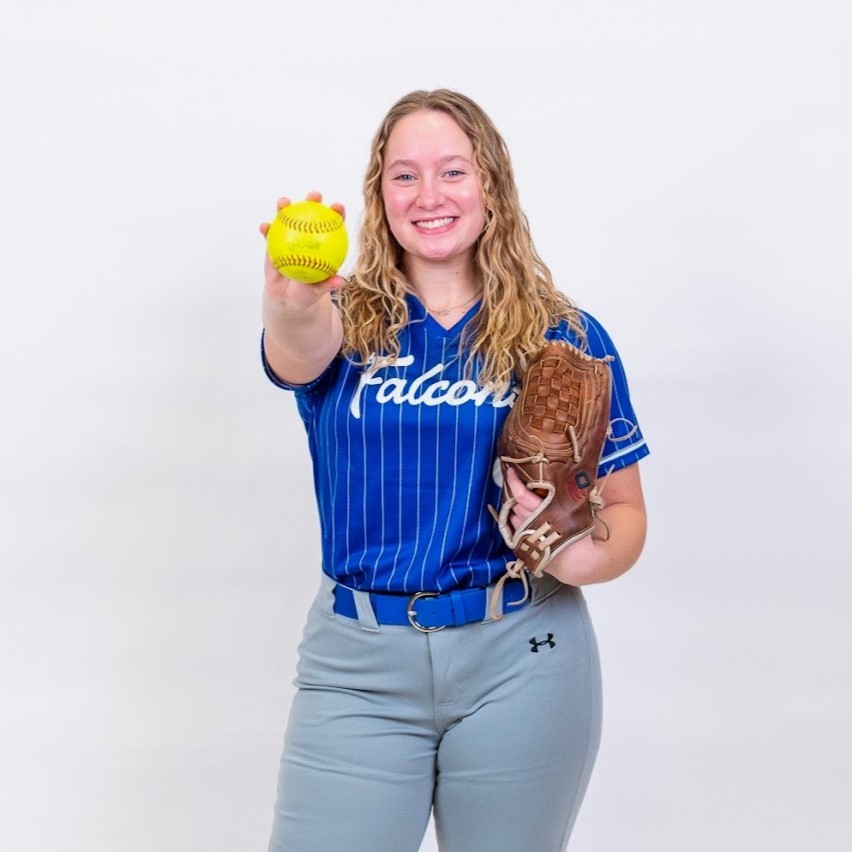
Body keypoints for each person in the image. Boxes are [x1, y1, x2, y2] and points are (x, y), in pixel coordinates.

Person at [259, 89, 649, 852]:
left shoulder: (564, 335)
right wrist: (293, 302)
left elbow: (626, 514)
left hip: (525, 650)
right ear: (378, 197)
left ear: (491, 186)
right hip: (358, 663)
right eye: (404, 176)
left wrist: (583, 553)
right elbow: (295, 346)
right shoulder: (346, 320)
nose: (429, 195)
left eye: (452, 171)